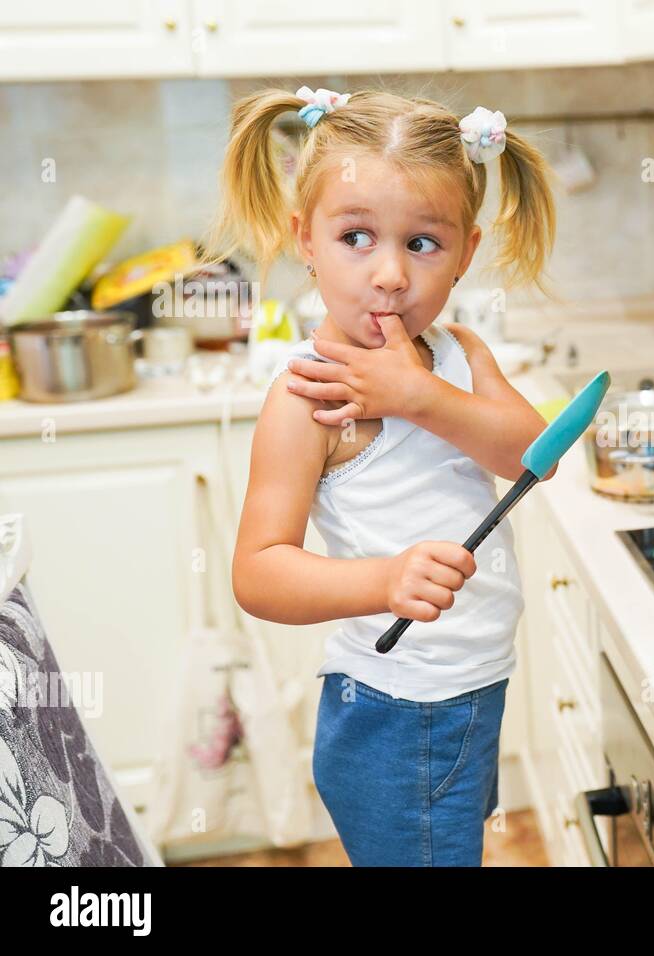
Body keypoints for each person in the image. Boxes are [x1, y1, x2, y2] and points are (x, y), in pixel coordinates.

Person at [221, 86, 556, 866]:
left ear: (466, 252)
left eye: (423, 243)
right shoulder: (309, 398)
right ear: (306, 239)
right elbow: (257, 575)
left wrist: (422, 396)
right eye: (357, 236)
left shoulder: (457, 358)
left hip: (469, 688)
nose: (391, 274)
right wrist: (385, 580)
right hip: (402, 713)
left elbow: (528, 456)